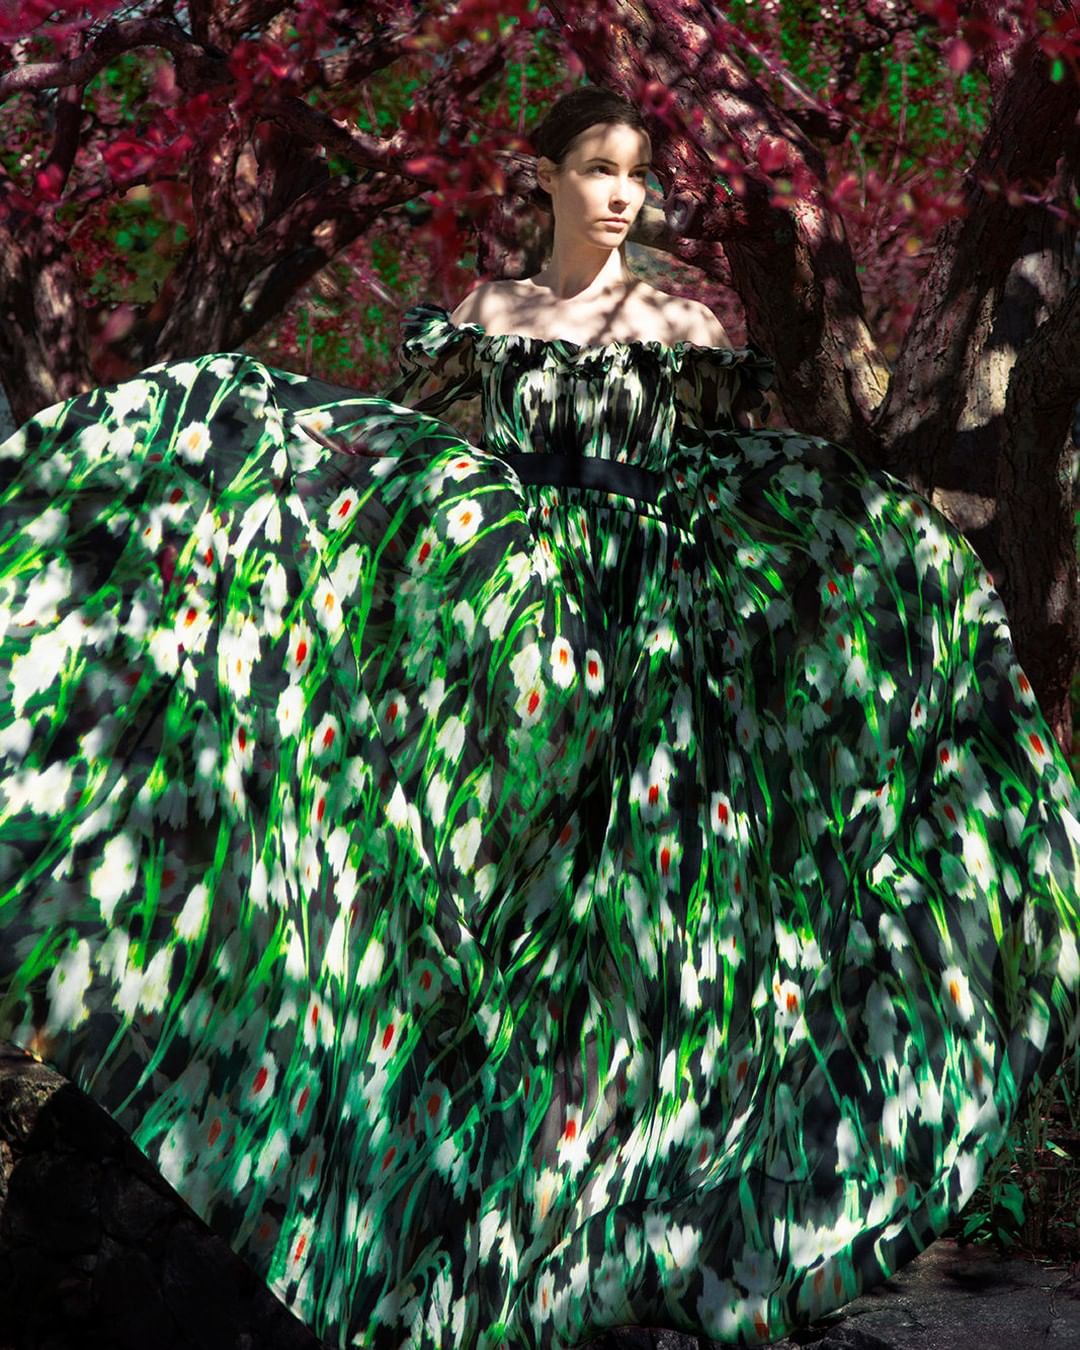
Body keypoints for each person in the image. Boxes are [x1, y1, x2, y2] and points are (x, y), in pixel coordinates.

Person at [0, 81, 1077, 1350]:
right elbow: (419, 474)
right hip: (510, 648)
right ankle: (460, 1233)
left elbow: (722, 484)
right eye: (599, 168)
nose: (623, 195)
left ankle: (598, 1236)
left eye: (638, 174)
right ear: (548, 177)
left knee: (625, 947)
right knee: (493, 934)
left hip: (648, 651)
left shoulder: (682, 318)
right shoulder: (487, 318)